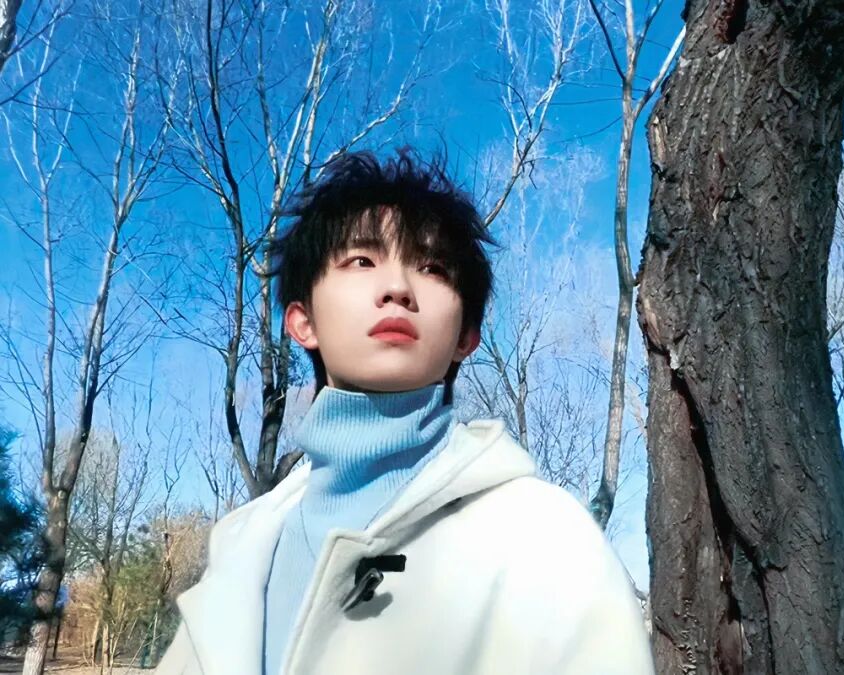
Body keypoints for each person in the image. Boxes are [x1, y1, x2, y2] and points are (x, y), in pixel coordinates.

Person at [154, 149, 654, 675]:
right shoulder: (238, 553)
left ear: (465, 338)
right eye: (361, 261)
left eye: (432, 267)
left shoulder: (545, 540)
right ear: (303, 323)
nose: (397, 288)